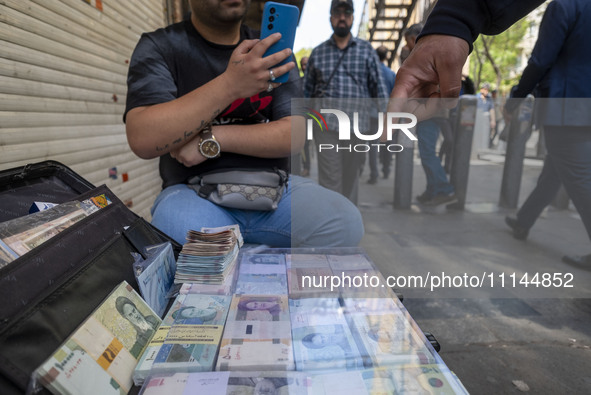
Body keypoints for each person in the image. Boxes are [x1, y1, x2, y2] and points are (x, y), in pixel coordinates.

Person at [124, 0, 363, 248]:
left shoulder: (273, 49)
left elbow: (294, 133)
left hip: (274, 190)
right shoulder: (161, 45)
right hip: (193, 192)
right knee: (178, 232)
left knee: (345, 221)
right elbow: (143, 137)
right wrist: (230, 85)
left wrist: (211, 139)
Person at [503, 0, 591, 265]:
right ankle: (524, 219)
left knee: (578, 178)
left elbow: (541, 60)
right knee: (555, 169)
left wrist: (515, 97)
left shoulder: (563, 6)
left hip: (566, 106)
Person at [304, 0, 389, 204]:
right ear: (331, 17)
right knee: (330, 182)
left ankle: (348, 224)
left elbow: (379, 87)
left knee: (351, 180)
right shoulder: (318, 53)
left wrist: (387, 120)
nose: (342, 17)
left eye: (347, 12)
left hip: (357, 129)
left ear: (351, 17)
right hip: (326, 128)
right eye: (337, 12)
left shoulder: (366, 50)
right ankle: (333, 228)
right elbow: (306, 92)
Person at [401, 24, 456, 206]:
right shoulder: (434, 50)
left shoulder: (426, 53)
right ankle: (432, 190)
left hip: (430, 111)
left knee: (427, 153)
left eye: (408, 41)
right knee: (427, 152)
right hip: (432, 110)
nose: (406, 45)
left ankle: (444, 188)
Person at [367, 45, 396, 182]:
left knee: (372, 145)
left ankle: (374, 174)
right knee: (387, 143)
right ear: (385, 57)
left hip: (372, 113)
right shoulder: (391, 74)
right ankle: (386, 169)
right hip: (387, 113)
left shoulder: (370, 72)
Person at [299, 56, 312, 177]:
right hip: (304, 117)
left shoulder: (317, 82)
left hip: (317, 117)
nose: (305, 67)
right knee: (305, 144)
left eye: (307, 64)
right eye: (303, 64)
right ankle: (306, 167)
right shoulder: (299, 81)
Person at [476, 82, 497, 148]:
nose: (486, 91)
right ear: (481, 89)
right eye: (485, 89)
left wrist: (493, 120)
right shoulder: (476, 97)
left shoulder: (489, 99)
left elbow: (492, 109)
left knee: (485, 135)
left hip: (486, 119)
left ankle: (483, 148)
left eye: (487, 90)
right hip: (477, 119)